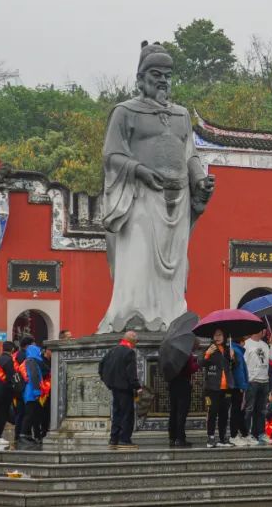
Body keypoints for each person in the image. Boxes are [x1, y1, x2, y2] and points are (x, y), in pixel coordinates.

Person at [96, 43, 216, 333]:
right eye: (155, 73)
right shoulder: (125, 112)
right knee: (138, 258)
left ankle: (171, 316)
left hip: (178, 199)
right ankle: (132, 315)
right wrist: (139, 170)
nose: (162, 80)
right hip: (140, 196)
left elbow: (191, 154)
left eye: (167, 74)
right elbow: (110, 155)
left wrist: (200, 178)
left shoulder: (181, 115)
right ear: (140, 79)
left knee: (173, 271)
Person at [98, 330, 142, 449]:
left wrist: (107, 382)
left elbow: (101, 366)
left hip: (114, 388)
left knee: (117, 413)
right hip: (125, 388)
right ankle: (124, 439)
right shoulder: (129, 352)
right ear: (131, 340)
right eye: (136, 341)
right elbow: (131, 373)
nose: (136, 344)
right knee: (127, 414)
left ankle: (114, 439)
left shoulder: (112, 351)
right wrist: (137, 386)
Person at [200, 328, 236, 448]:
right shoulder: (210, 349)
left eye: (220, 335)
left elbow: (233, 366)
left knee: (224, 414)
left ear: (224, 337)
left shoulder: (227, 350)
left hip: (226, 388)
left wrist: (233, 358)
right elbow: (200, 363)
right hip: (212, 388)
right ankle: (210, 438)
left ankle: (222, 438)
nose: (218, 337)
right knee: (212, 413)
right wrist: (207, 354)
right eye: (216, 335)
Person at [243, 327, 272, 445]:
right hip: (252, 381)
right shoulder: (247, 344)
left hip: (264, 380)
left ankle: (260, 434)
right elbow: (244, 363)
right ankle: (247, 434)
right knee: (249, 409)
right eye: (263, 330)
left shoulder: (265, 345)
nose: (265, 332)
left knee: (262, 410)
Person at [168, 355, 197, 448]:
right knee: (181, 413)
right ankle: (180, 438)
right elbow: (191, 369)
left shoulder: (170, 355)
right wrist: (196, 363)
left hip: (172, 384)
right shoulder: (185, 355)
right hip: (183, 385)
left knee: (174, 412)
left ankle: (172, 437)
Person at [19, 343, 46, 445]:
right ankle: (23, 435)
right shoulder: (32, 362)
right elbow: (34, 377)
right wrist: (37, 392)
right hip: (31, 393)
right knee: (29, 415)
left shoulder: (27, 361)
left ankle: (26, 435)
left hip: (28, 392)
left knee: (31, 414)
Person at [228, 336, 251, 445]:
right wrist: (243, 386)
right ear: (241, 341)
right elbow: (239, 371)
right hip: (237, 387)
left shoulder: (237, 350)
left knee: (240, 411)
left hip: (238, 386)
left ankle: (244, 433)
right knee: (236, 411)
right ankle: (234, 435)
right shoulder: (236, 351)